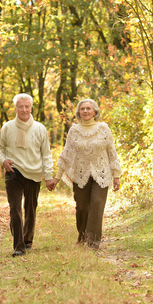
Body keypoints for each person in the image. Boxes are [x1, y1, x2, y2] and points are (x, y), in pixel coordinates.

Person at [48, 99, 121, 249]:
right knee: (82, 207)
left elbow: (112, 152)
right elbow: (66, 154)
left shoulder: (103, 128)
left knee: (96, 204)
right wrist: (56, 177)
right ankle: (82, 236)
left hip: (101, 173)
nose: (86, 111)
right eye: (83, 109)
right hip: (80, 174)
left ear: (95, 111)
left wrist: (116, 175)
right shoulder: (74, 131)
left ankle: (92, 242)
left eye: (89, 108)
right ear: (78, 112)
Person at [0, 93, 54, 257]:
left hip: (34, 173)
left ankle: (27, 240)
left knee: (30, 209)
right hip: (14, 172)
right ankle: (18, 246)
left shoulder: (40, 128)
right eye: (21, 106)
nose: (24, 109)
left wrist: (48, 176)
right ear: (15, 108)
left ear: (31, 107)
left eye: (27, 106)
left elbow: (46, 154)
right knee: (15, 209)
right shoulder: (7, 127)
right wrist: (2, 160)